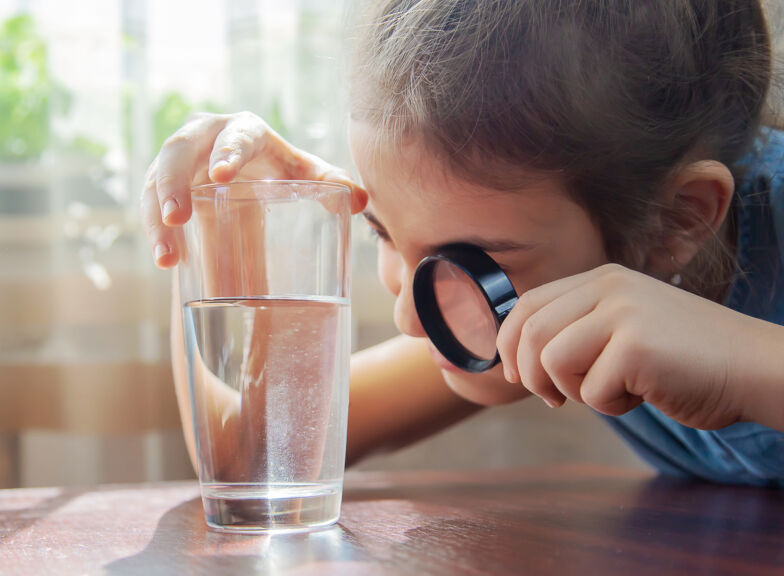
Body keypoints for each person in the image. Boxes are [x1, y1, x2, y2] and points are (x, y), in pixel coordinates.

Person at [141, 0, 784, 487]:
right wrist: (211, 221)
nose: (408, 321)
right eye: (383, 233)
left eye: (471, 262)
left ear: (676, 221)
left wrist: (748, 365)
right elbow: (251, 448)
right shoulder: (505, 298)